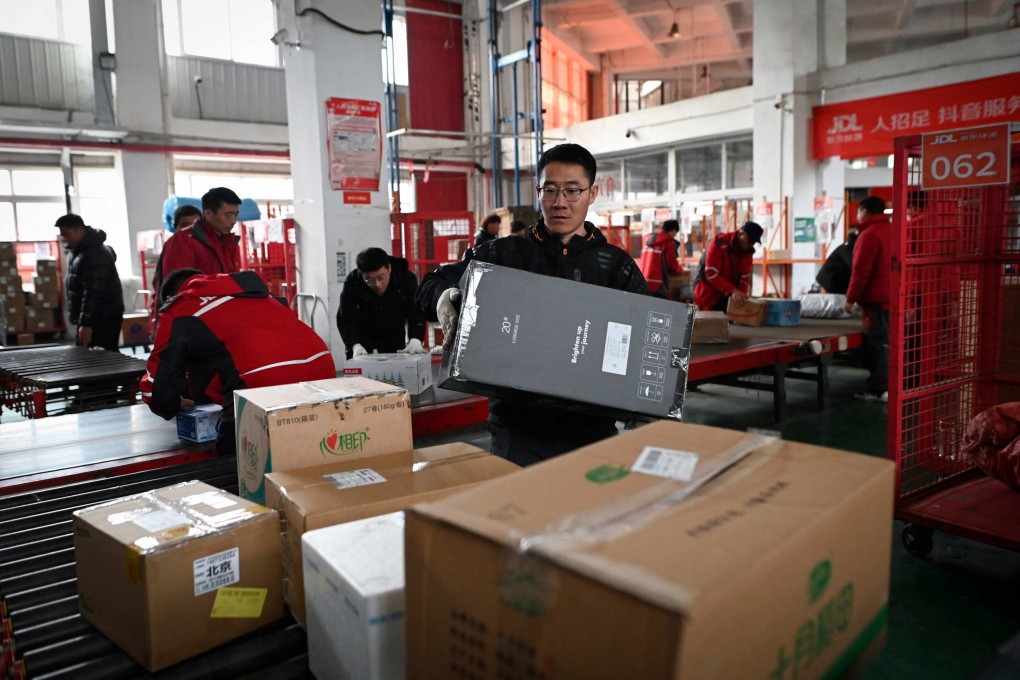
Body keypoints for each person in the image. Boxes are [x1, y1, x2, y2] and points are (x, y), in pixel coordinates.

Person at [416, 143, 649, 467]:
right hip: (517, 427)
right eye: (549, 190)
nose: (559, 203)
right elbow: (431, 283)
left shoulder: (615, 267)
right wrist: (443, 298)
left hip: (592, 429)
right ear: (538, 190)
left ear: (592, 193)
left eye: (572, 191)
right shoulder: (504, 255)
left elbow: (648, 339)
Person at [141, 268, 336, 455]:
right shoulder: (262, 296)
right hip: (324, 378)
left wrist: (172, 404)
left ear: (169, 297)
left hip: (262, 391)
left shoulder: (181, 306)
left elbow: (157, 387)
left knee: (237, 469)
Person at [337, 247, 428, 359]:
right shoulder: (353, 282)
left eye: (381, 278)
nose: (377, 284)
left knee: (395, 372)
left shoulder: (405, 279)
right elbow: (345, 317)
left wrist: (415, 339)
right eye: (369, 280)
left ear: (389, 268)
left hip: (393, 333)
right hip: (362, 336)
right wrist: (354, 344)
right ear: (361, 274)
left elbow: (416, 311)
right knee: (360, 373)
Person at [844, 196, 891, 402]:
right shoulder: (894, 231)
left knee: (876, 345)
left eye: (858, 211)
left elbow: (861, 272)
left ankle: (879, 389)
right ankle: (891, 385)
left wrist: (850, 299)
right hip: (895, 298)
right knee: (890, 344)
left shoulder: (869, 235)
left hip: (876, 301)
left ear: (865, 212)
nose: (857, 216)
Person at [55, 214, 125, 351]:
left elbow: (93, 292)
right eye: (62, 235)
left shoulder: (95, 254)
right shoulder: (79, 251)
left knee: (103, 359)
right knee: (89, 358)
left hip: (103, 317)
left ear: (79, 230)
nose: (64, 238)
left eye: (67, 234)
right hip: (94, 317)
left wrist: (87, 324)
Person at [693, 221, 763, 311]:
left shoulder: (747, 253)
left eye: (753, 242)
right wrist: (733, 291)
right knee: (709, 323)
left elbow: (744, 278)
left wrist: (741, 297)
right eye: (750, 240)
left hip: (727, 299)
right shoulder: (718, 244)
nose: (751, 245)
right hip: (707, 298)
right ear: (741, 234)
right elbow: (711, 274)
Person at [639, 219, 685, 298]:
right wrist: (680, 269)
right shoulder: (667, 242)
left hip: (642, 280)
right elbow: (672, 264)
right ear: (674, 230)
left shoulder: (649, 239)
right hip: (657, 284)